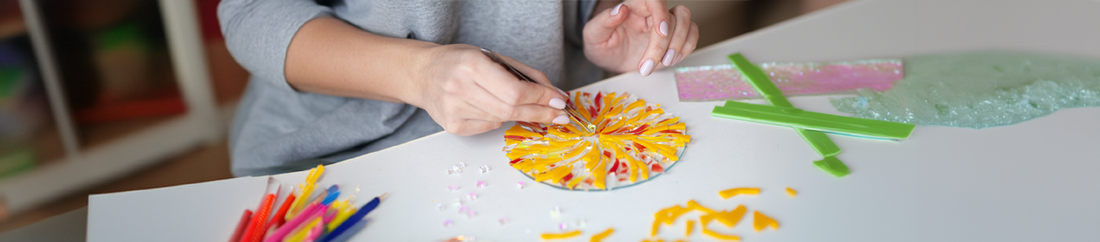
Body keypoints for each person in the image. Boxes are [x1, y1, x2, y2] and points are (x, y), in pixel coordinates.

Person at [219, 0, 699, 176]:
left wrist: (600, 16)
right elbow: (249, 14)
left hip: (550, 145)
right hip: (342, 160)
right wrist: (418, 74)